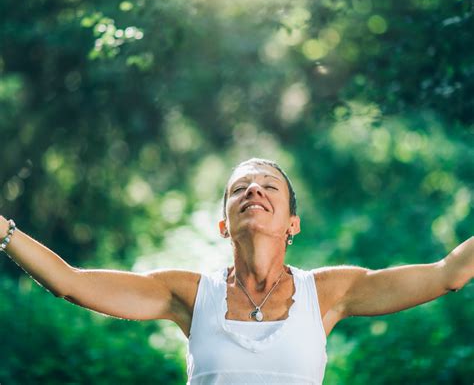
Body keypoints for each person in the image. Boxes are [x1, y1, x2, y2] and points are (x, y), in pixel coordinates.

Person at [1, 157, 473, 384]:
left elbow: (447, 273)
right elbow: (71, 283)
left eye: (269, 185)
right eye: (240, 187)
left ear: (293, 223)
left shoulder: (329, 292)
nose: (253, 190)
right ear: (225, 224)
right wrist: (5, 233)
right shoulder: (187, 293)